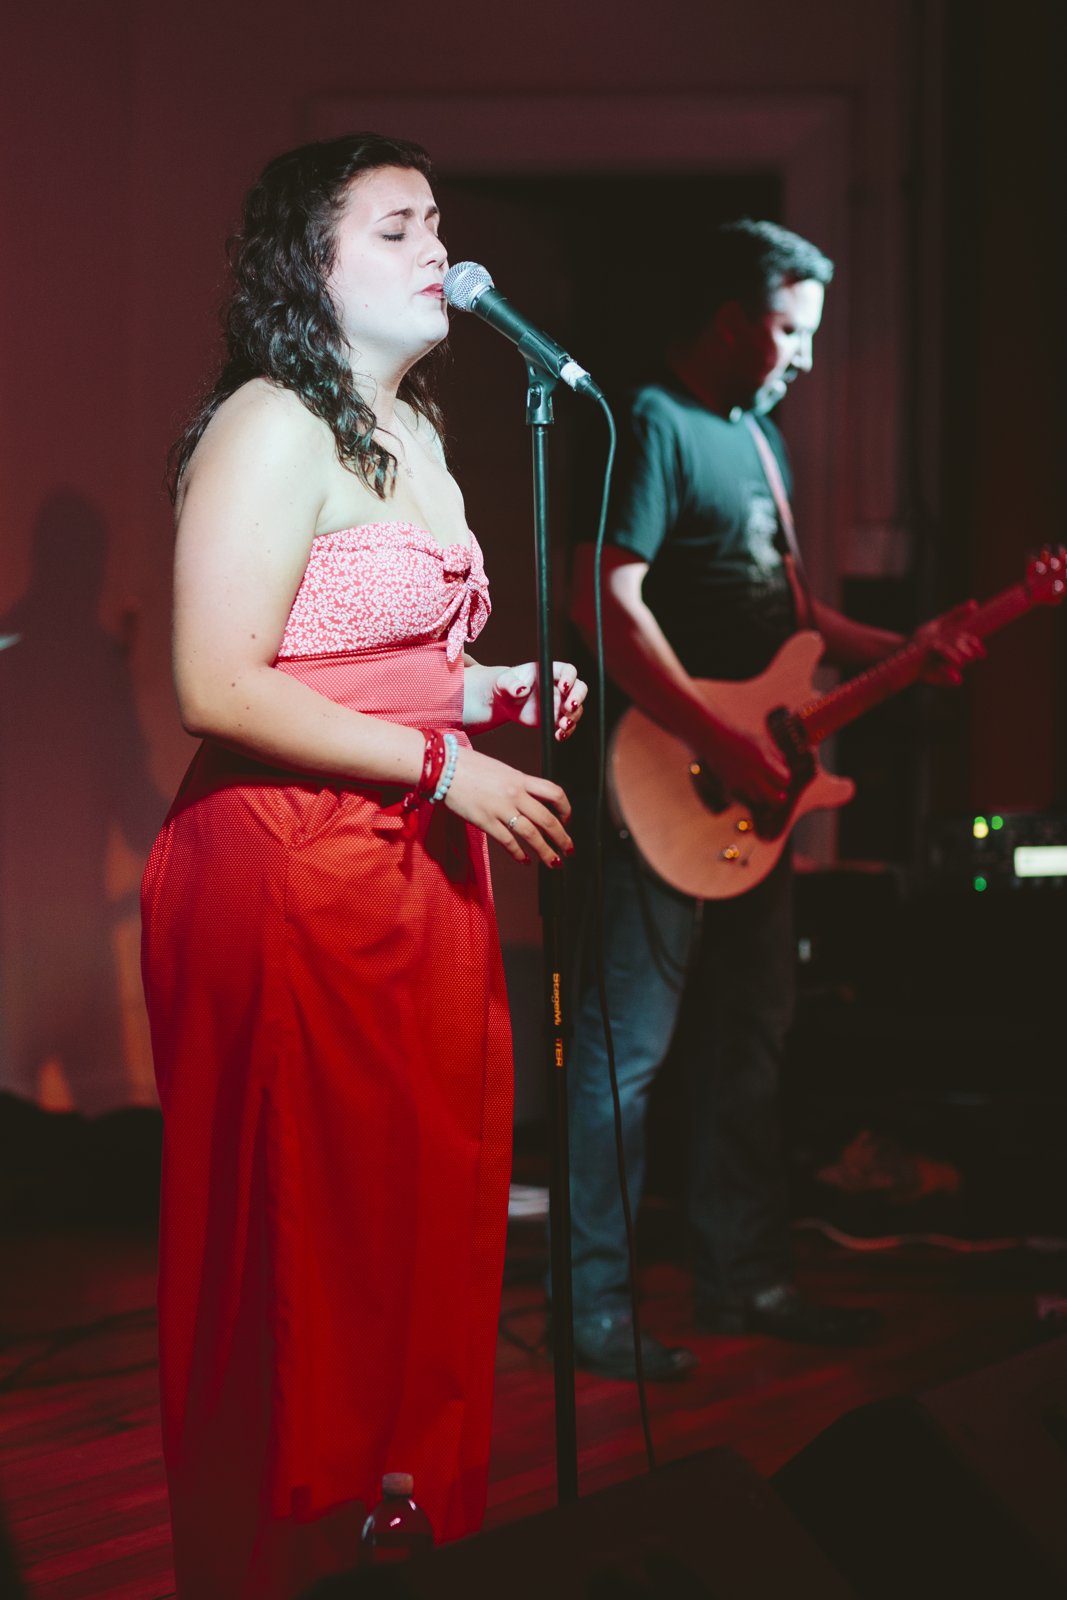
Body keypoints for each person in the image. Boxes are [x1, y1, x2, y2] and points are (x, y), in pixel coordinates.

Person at [140, 133, 585, 1600]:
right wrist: (450, 764)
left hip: (409, 871)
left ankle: (395, 1545)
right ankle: (284, 1551)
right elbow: (218, 680)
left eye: (435, 222)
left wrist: (498, 692)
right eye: (395, 227)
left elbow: (392, 668)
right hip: (283, 866)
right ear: (308, 268)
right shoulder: (272, 422)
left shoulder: (426, 440)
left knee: (414, 1221)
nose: (436, 249)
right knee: (306, 1243)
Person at [563, 219, 979, 1382]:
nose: (800, 355)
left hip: (753, 799)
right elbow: (598, 601)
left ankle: (743, 1275)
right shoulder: (653, 422)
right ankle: (591, 1309)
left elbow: (798, 623)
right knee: (623, 1056)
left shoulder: (760, 440)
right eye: (789, 330)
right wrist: (713, 738)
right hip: (663, 783)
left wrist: (908, 646)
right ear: (736, 315)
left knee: (749, 1042)